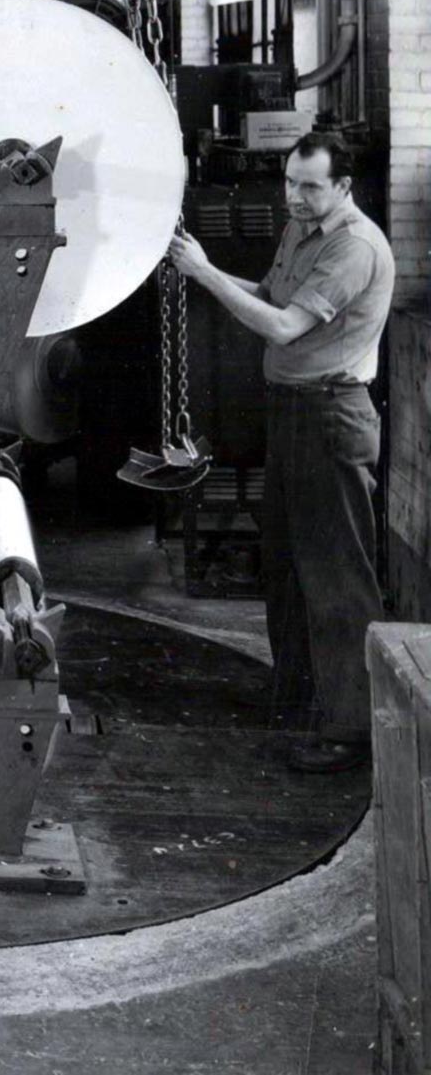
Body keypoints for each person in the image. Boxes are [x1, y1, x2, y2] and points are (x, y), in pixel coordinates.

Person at [168, 132, 394, 774]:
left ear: (344, 186)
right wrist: (205, 264)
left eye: (310, 186)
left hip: (332, 414)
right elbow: (271, 296)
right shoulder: (303, 229)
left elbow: (283, 326)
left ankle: (351, 732)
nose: (294, 196)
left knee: (337, 578)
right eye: (291, 183)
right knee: (288, 567)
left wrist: (204, 272)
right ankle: (298, 702)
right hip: (294, 412)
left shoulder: (353, 247)